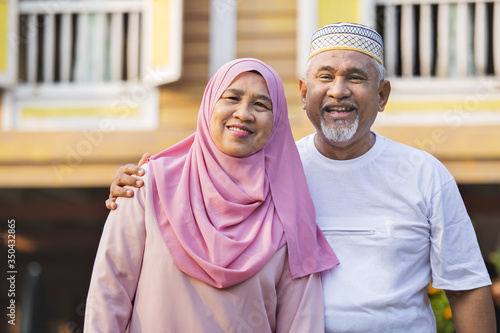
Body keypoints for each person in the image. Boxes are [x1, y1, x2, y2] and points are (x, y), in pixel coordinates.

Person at [105, 23, 497, 332]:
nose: (338, 91)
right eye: (325, 77)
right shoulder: (269, 170)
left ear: (382, 95)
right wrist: (139, 184)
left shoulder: (424, 174)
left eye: (356, 78)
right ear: (303, 91)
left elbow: (467, 290)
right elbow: (206, 183)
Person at [85, 58, 339, 332]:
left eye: (261, 104)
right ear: (209, 104)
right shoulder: (147, 185)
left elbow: (301, 321)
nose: (243, 113)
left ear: (276, 121)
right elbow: (109, 293)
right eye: (232, 97)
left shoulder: (289, 214)